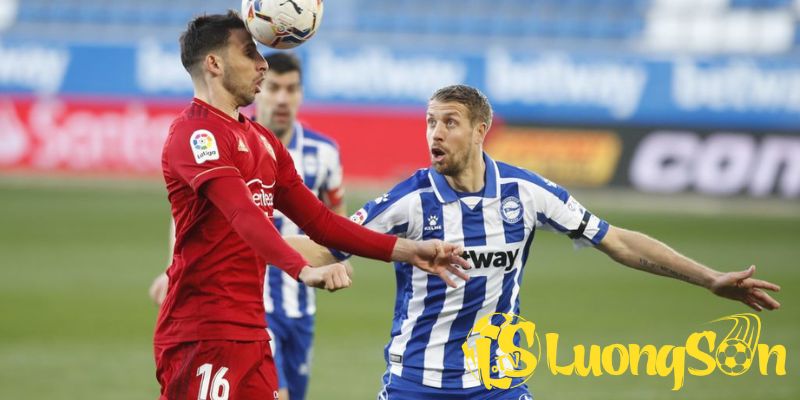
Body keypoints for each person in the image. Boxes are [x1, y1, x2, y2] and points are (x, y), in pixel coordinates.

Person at [289, 84, 782, 400]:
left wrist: (710, 279)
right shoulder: (409, 200)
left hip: (499, 382)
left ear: (481, 131)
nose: (435, 134)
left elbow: (618, 241)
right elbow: (326, 243)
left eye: (449, 122)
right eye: (429, 122)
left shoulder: (526, 193)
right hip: (418, 383)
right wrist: (252, 240)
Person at [154, 13, 470, 400]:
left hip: (252, 335)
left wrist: (409, 252)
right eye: (250, 52)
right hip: (201, 333)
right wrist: (301, 269)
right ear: (214, 64)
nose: (263, 64)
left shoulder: (264, 141)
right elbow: (243, 214)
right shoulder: (194, 133)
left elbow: (321, 221)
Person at [150, 51, 346, 400]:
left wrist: (344, 256)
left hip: (300, 306)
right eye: (274, 88)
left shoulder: (325, 153)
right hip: (244, 303)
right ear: (260, 87)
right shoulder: (226, 139)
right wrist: (173, 269)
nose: (283, 99)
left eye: (293, 89)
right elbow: (189, 217)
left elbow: (334, 223)